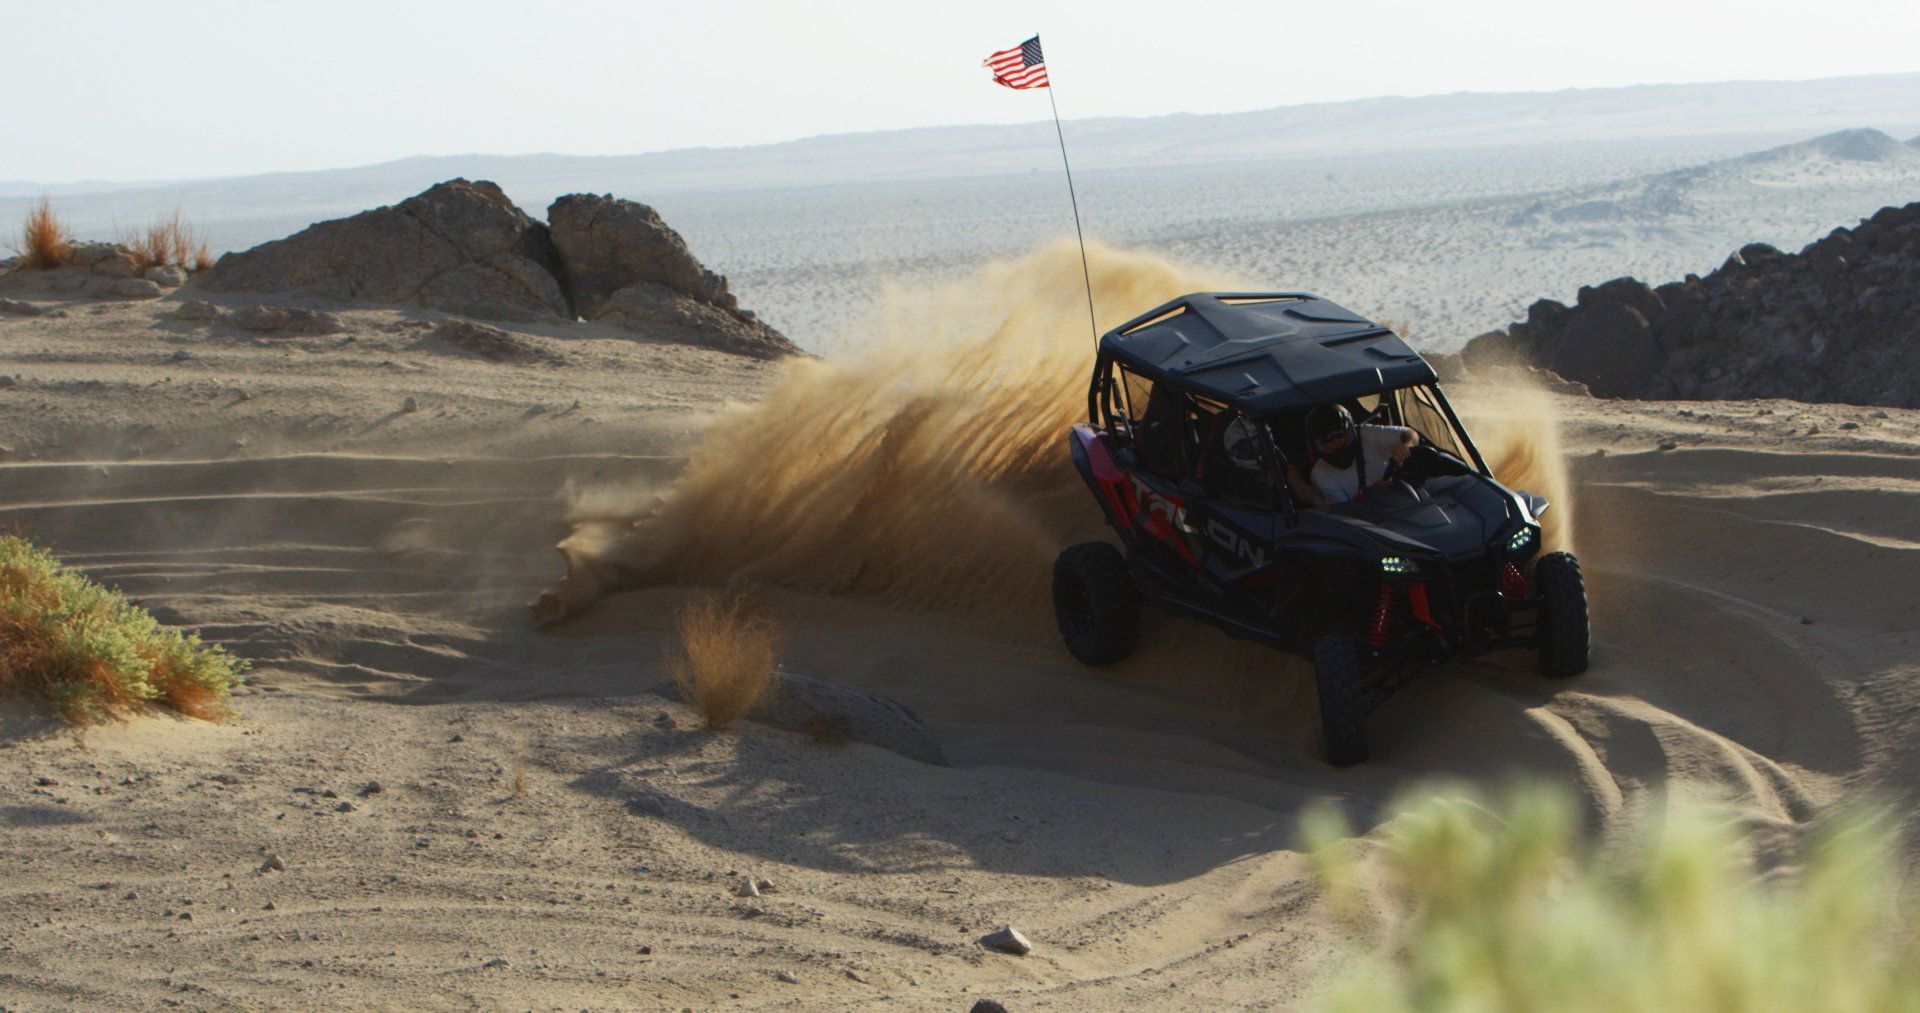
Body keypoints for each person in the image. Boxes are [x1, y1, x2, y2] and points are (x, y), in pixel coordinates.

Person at [1302, 403, 1418, 507]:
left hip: (1406, 499)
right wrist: (1375, 490)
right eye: (1329, 439)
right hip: (1376, 520)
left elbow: (1409, 433)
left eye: (1340, 435)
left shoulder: (1368, 435)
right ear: (1319, 444)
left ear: (1349, 431)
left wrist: (1406, 445)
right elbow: (1346, 514)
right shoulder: (1321, 475)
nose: (1336, 442)